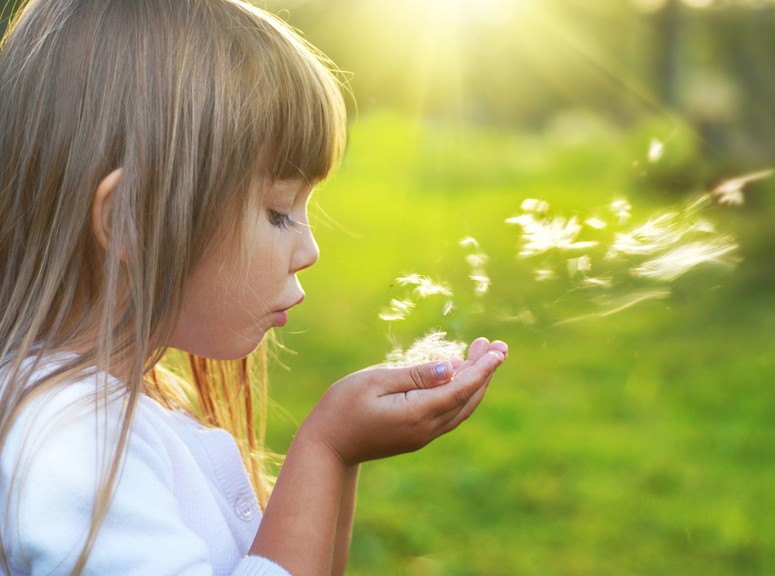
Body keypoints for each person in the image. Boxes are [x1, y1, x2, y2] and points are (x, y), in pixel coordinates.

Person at [0, 1, 508, 575]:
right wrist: (325, 447)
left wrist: (341, 462)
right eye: (277, 212)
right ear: (132, 223)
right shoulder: (72, 444)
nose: (310, 250)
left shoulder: (110, 412)